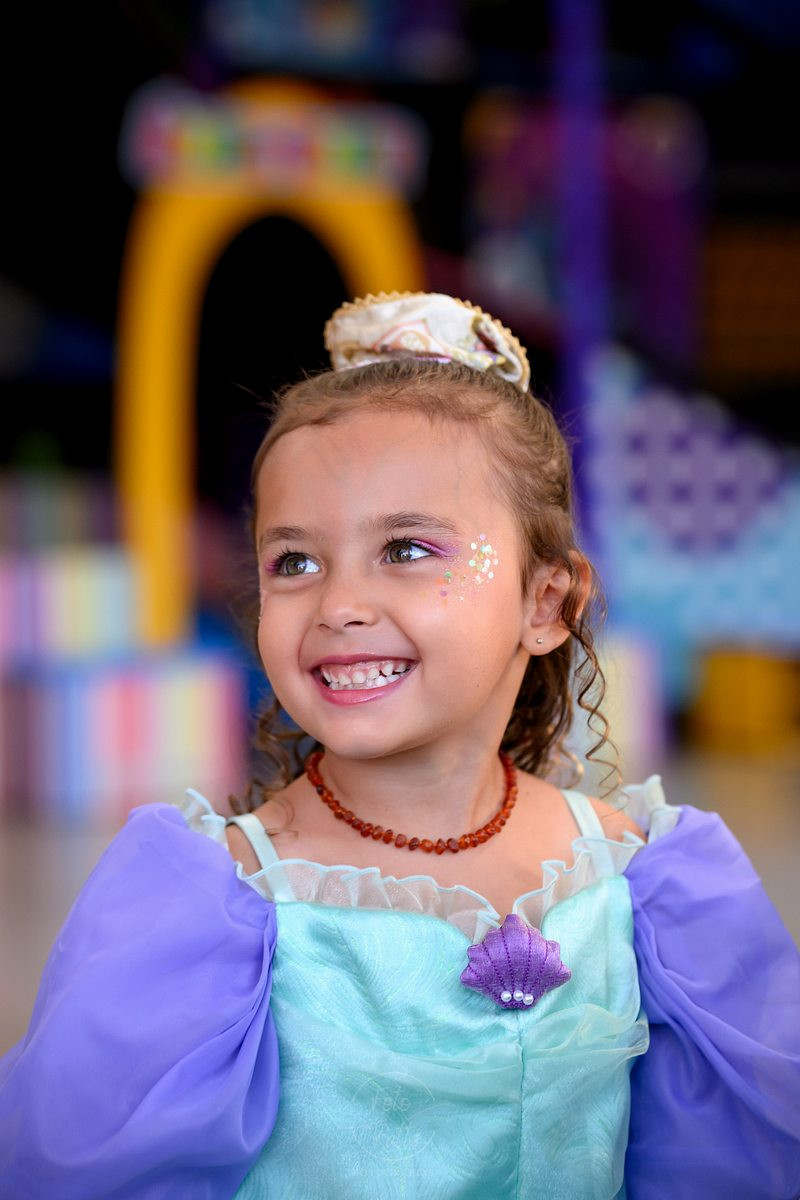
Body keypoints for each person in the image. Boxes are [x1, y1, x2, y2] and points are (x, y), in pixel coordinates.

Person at [1, 291, 798, 1200]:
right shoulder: (221, 903)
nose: (338, 604)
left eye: (408, 549)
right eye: (294, 562)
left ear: (546, 602)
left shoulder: (643, 881)